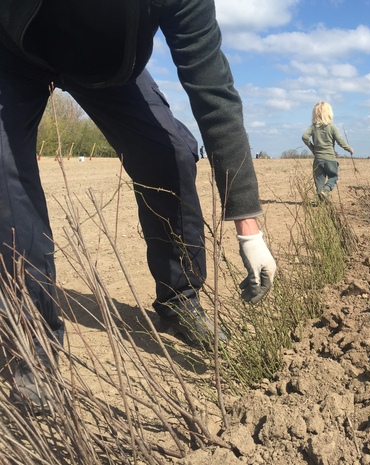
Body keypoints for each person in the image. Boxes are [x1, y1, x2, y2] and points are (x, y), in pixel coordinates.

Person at [0, 0, 276, 405]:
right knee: (6, 178)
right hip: (14, 52)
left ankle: (179, 298)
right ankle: (34, 343)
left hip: (106, 68)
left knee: (173, 154)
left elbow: (213, 91)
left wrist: (248, 228)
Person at [301, 102, 353, 199]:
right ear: (329, 113)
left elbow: (304, 137)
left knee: (319, 182)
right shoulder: (332, 127)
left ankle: (321, 202)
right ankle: (326, 190)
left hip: (318, 159)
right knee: (333, 177)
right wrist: (349, 148)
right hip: (330, 159)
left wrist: (312, 148)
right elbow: (340, 141)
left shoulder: (313, 127)